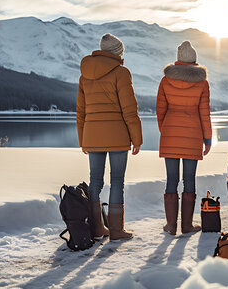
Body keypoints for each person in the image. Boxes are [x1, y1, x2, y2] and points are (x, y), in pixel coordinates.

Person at [76, 33, 142, 241]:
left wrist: (82, 140)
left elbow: (81, 111)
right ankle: (116, 230)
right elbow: (129, 110)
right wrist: (137, 139)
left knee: (95, 181)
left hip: (92, 135)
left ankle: (97, 229)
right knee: (116, 181)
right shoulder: (121, 73)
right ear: (117, 53)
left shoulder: (84, 73)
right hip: (118, 136)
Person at [156, 41, 212, 235]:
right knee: (189, 179)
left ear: (178, 60)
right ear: (194, 60)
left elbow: (160, 110)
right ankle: (187, 226)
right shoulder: (202, 82)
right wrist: (208, 138)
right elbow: (204, 112)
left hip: (170, 134)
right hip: (193, 135)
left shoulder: (165, 80)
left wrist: (166, 130)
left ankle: (171, 226)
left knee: (171, 179)